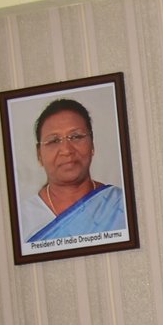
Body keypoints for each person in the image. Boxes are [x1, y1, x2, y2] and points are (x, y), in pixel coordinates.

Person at [19, 98, 127, 244]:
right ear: (39, 155)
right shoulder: (21, 220)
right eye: (53, 141)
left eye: (76, 137)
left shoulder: (121, 205)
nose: (66, 150)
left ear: (92, 145)